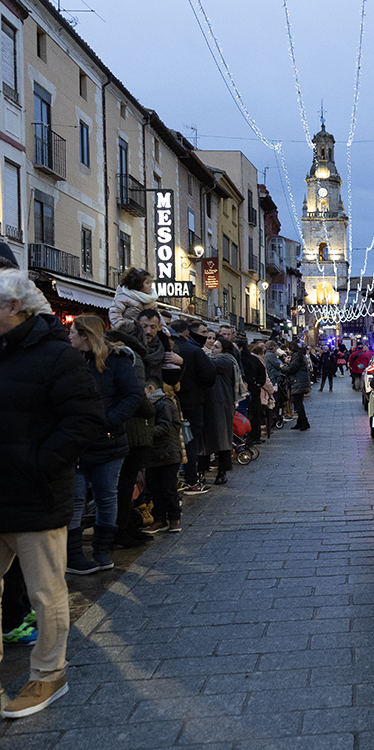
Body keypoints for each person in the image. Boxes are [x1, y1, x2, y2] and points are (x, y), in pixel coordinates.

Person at [0, 270, 103, 718]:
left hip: (35, 493)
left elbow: (85, 419)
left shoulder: (56, 356)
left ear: (13, 307)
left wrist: (39, 464)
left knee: (45, 592)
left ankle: (48, 674)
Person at [66, 315, 145, 575]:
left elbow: (133, 395)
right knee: (75, 500)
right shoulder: (67, 362)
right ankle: (74, 557)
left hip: (108, 442)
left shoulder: (117, 361)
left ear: (86, 335)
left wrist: (109, 421)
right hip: (76, 442)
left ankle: (102, 552)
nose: (70, 337)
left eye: (74, 332)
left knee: (106, 497)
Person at [107, 321, 156, 548]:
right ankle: (122, 530)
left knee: (124, 481)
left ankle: (125, 527)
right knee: (126, 482)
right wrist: (151, 410)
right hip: (133, 426)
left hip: (121, 423)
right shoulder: (132, 355)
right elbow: (135, 393)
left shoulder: (112, 351)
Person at [171, 319, 217, 495]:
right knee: (191, 441)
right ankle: (191, 480)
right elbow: (209, 376)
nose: (206, 337)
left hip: (171, 402)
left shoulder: (165, 349)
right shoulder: (194, 351)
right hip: (193, 402)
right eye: (204, 333)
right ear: (188, 333)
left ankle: (177, 479)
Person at [143, 376, 183, 534]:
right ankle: (160, 519)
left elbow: (165, 426)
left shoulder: (163, 404)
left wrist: (145, 432)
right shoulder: (155, 404)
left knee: (168, 488)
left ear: (150, 388)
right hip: (156, 454)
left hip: (167, 453)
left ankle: (174, 519)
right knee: (155, 489)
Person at [203, 337, 242, 485]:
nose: (213, 349)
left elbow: (206, 365)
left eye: (216, 347)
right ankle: (203, 470)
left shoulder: (226, 361)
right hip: (208, 403)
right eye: (213, 346)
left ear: (224, 350)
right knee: (205, 439)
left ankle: (222, 471)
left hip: (222, 404)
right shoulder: (210, 358)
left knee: (222, 437)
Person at [281, 342, 312, 431]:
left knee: (297, 403)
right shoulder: (299, 355)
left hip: (298, 381)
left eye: (287, 349)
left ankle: (304, 423)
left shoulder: (296, 356)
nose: (287, 351)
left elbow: (292, 368)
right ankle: (300, 422)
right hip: (300, 381)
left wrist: (282, 368)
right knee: (299, 403)